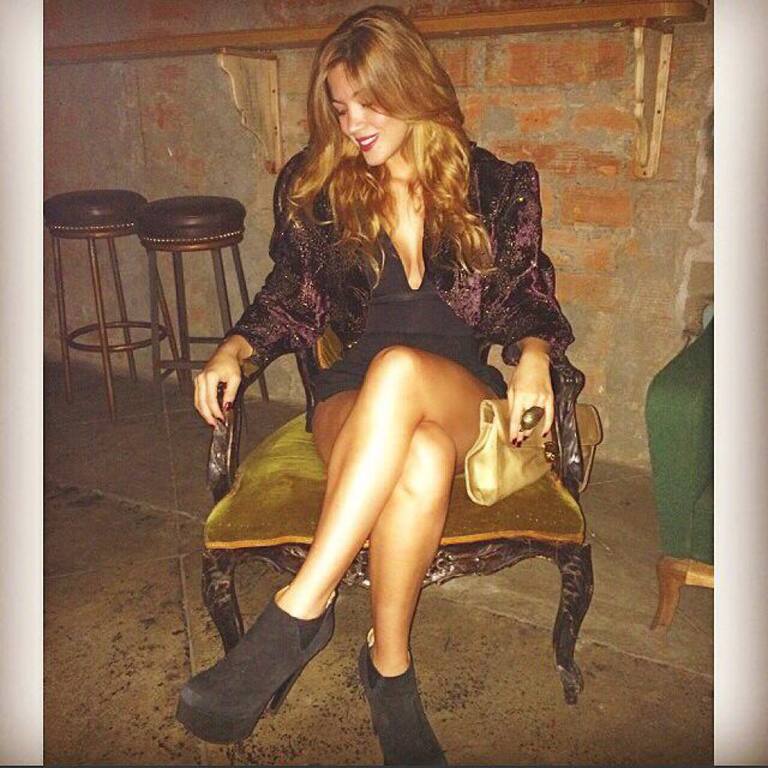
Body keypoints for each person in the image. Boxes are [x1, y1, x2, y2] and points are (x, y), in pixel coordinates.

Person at [176, 4, 574, 764]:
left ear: (413, 87)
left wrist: (531, 354)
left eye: (369, 102)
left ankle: (300, 610)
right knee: (417, 456)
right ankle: (390, 673)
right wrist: (234, 348)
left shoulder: (496, 186)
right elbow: (289, 296)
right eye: (340, 108)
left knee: (402, 371)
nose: (353, 123)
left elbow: (527, 296)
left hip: (457, 393)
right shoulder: (320, 191)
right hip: (348, 397)